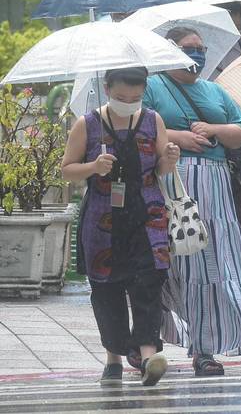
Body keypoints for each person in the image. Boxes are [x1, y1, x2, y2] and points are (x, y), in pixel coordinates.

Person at [143, 27, 241, 377]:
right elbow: (142, 129)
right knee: (165, 267)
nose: (198, 54)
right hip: (171, 185)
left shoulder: (216, 90)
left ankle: (203, 349)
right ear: (170, 50)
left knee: (210, 267)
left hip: (215, 192)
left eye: (202, 48)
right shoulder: (153, 86)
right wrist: (180, 136)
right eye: (190, 48)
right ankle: (146, 340)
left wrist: (214, 130)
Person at [61, 67, 178, 387]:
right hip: (102, 218)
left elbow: (162, 169)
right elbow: (67, 170)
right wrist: (93, 167)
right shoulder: (88, 124)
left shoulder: (152, 120)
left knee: (149, 280)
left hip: (147, 214)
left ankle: (148, 354)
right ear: (107, 88)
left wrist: (171, 156)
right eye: (121, 97)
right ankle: (113, 357)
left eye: (136, 98)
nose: (129, 103)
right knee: (106, 288)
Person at [208, 2, 241, 235]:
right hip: (212, 129)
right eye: (225, 13)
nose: (230, 19)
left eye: (234, 13)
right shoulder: (204, 49)